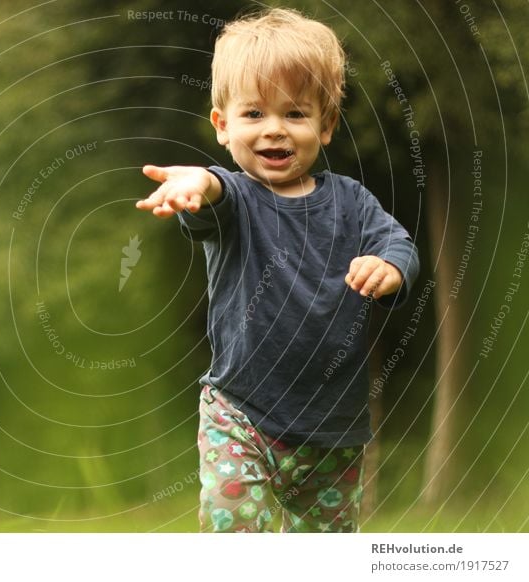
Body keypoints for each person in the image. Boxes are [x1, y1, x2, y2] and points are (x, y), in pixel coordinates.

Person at [135, 7, 419, 532]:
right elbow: (214, 190)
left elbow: (397, 241)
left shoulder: (352, 203)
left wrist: (388, 266)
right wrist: (195, 182)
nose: (274, 130)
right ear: (222, 126)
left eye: (294, 114)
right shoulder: (233, 199)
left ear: (326, 125)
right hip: (239, 413)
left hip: (333, 425)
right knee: (235, 527)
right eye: (254, 114)